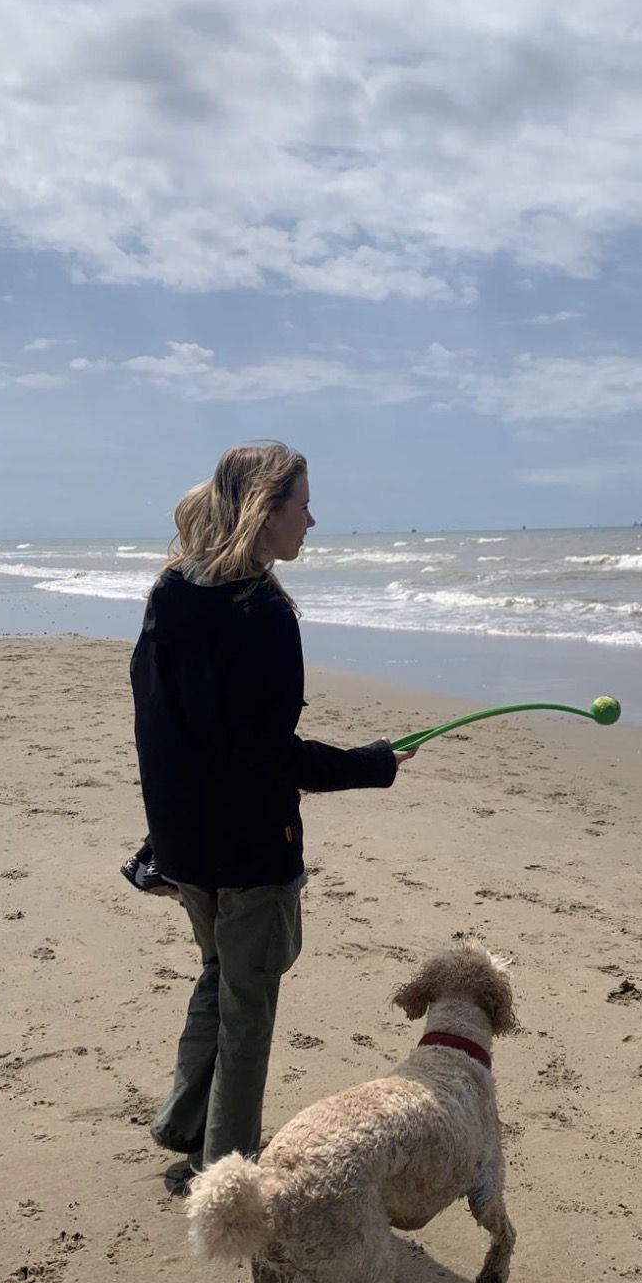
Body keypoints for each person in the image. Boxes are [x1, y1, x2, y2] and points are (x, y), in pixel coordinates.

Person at [130, 441, 413, 1188]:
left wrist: (165, 836)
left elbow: (163, 728)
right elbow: (265, 752)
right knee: (246, 1002)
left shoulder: (173, 591)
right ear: (264, 510)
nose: (311, 521)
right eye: (302, 506)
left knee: (220, 975)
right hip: (248, 847)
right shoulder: (256, 611)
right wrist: (371, 764)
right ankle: (223, 1172)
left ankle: (188, 1127)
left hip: (185, 844)